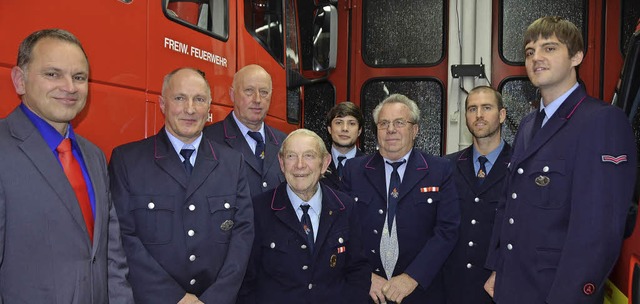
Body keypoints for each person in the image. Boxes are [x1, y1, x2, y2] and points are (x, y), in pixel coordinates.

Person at [484, 16, 637, 304]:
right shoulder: (529, 124)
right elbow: (509, 202)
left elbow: (598, 231)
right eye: (530, 52)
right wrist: (497, 268)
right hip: (513, 286)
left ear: (577, 56)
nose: (536, 58)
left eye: (549, 48)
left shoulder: (601, 122)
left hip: (556, 291)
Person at [0, 29, 133, 303]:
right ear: (19, 80)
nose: (70, 87)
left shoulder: (94, 156)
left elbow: (111, 256)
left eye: (79, 77)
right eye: (52, 74)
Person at [109, 67, 253, 304]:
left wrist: (214, 299)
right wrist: (174, 298)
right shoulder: (128, 161)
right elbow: (123, 238)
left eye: (199, 99)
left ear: (209, 108)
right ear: (162, 104)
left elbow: (242, 235)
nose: (190, 109)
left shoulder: (232, 163)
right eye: (179, 98)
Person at [342, 94, 460, 304]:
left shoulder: (439, 170)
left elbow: (447, 230)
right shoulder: (354, 170)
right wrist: (364, 275)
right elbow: (341, 229)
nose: (391, 130)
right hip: (367, 291)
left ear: (415, 130)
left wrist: (413, 276)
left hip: (420, 291)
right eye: (384, 123)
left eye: (399, 123)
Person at [239, 129, 370, 304]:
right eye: (291, 156)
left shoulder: (345, 207)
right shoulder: (258, 209)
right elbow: (246, 280)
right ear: (281, 163)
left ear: (324, 163)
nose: (300, 165)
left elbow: (358, 270)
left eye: (309, 156)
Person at [442, 86, 511, 304]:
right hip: (451, 288)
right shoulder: (446, 166)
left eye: (486, 108)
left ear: (501, 115)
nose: (479, 115)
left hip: (498, 286)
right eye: (472, 109)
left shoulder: (521, 166)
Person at [204, 64, 287, 197]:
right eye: (249, 91)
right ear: (232, 94)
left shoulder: (285, 143)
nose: (257, 99)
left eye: (264, 92)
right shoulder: (208, 141)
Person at [322, 101, 365, 191]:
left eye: (351, 123)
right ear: (329, 129)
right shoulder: (317, 163)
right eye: (339, 122)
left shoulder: (370, 167)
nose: (345, 128)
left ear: (359, 131)